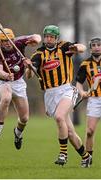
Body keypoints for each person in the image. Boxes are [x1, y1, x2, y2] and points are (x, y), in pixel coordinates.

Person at [26, 25, 91, 167]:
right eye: (46, 36)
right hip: (50, 94)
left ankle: (63, 154)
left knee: (60, 117)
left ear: (56, 38)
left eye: (51, 36)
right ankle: (85, 156)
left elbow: (82, 48)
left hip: (66, 89)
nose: (48, 39)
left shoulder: (64, 47)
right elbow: (30, 75)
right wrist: (30, 67)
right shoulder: (38, 54)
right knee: (70, 132)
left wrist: (77, 48)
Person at [0, 28, 41, 150]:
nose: (7, 43)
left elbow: (37, 36)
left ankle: (18, 134)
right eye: (4, 41)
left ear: (13, 39)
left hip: (18, 82)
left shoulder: (19, 42)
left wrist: (36, 40)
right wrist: (6, 75)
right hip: (3, 82)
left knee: (24, 118)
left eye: (9, 40)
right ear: (0, 41)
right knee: (6, 98)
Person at [76, 37, 101, 165]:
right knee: (90, 131)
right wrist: (82, 92)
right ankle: (88, 159)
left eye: (99, 45)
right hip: (94, 100)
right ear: (90, 48)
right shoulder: (85, 64)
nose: (97, 47)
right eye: (94, 45)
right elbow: (79, 83)